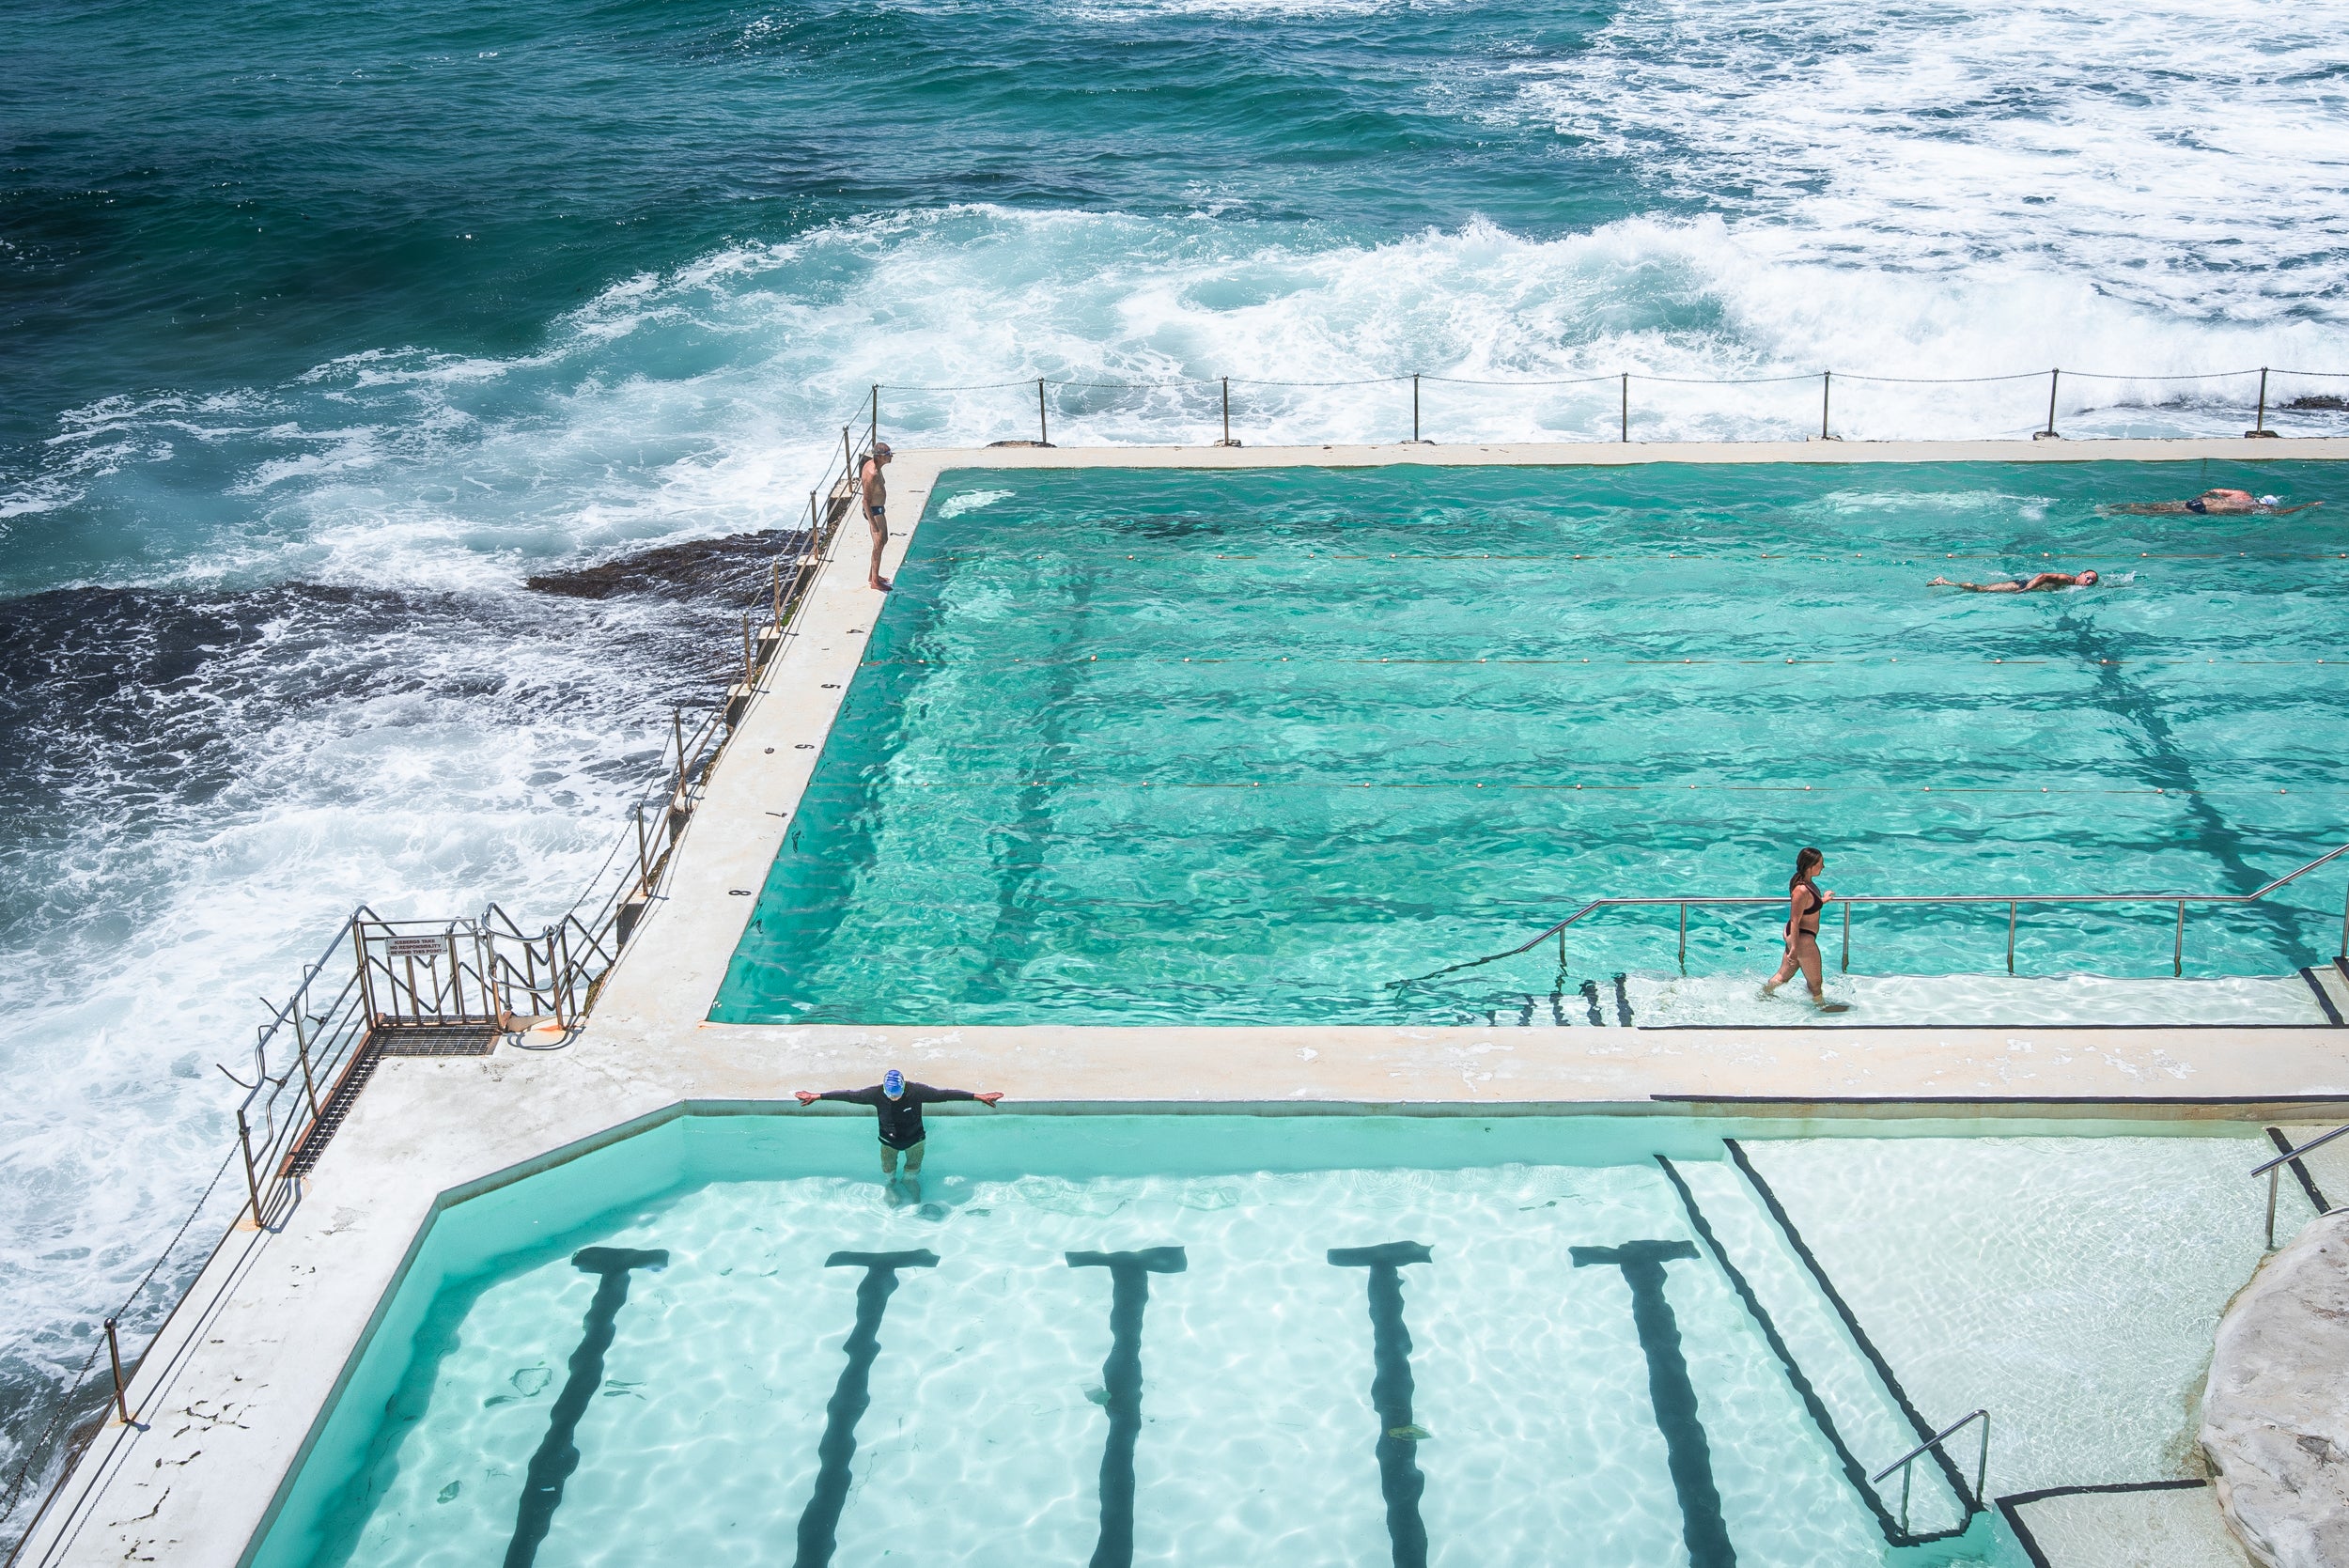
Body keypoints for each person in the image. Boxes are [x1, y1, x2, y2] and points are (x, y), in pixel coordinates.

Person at [795, 1068, 1001, 1188]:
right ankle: (891, 1184)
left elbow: (943, 1095)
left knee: (913, 1167)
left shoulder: (916, 1091)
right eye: (890, 1094)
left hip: (915, 1140)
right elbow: (849, 1096)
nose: (893, 1098)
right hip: (888, 1142)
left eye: (897, 1094)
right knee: (888, 1168)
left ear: (903, 1087)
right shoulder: (875, 1094)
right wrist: (817, 1096)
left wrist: (978, 1096)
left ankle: (910, 1182)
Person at [1762, 846, 1849, 1012]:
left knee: (1783, 976)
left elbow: (1808, 907)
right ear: (1810, 866)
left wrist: (1823, 900)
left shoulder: (1808, 884)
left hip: (1801, 937)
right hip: (1802, 938)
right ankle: (1820, 1008)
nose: (1823, 867)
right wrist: (1794, 947)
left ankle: (1762, 996)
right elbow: (1795, 919)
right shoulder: (1801, 890)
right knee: (1815, 982)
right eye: (1820, 864)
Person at [2104, 489, 2319, 516]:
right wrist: (2306, 506)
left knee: (2161, 504)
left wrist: (2206, 494)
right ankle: (2120, 513)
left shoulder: (2242, 494)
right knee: (2158, 513)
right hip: (2203, 510)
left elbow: (2216, 490)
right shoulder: (2255, 507)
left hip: (2199, 500)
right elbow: (2282, 513)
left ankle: (2119, 506)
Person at [859, 441, 894, 591]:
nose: (891, 456)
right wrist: (872, 523)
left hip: (878, 509)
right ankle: (874, 582)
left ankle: (873, 575)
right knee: (879, 543)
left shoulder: (876, 466)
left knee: (882, 541)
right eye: (887, 455)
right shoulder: (872, 474)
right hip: (873, 511)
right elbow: (865, 501)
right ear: (879, 457)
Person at [1926, 568, 2098, 593]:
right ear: (2081, 574)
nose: (2089, 582)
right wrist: (2026, 589)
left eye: (2092, 582)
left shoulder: (2073, 585)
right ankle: (1945, 582)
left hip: (2026, 586)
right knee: (1983, 590)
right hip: (2021, 585)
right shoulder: (2067, 579)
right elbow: (2043, 576)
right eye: (2088, 577)